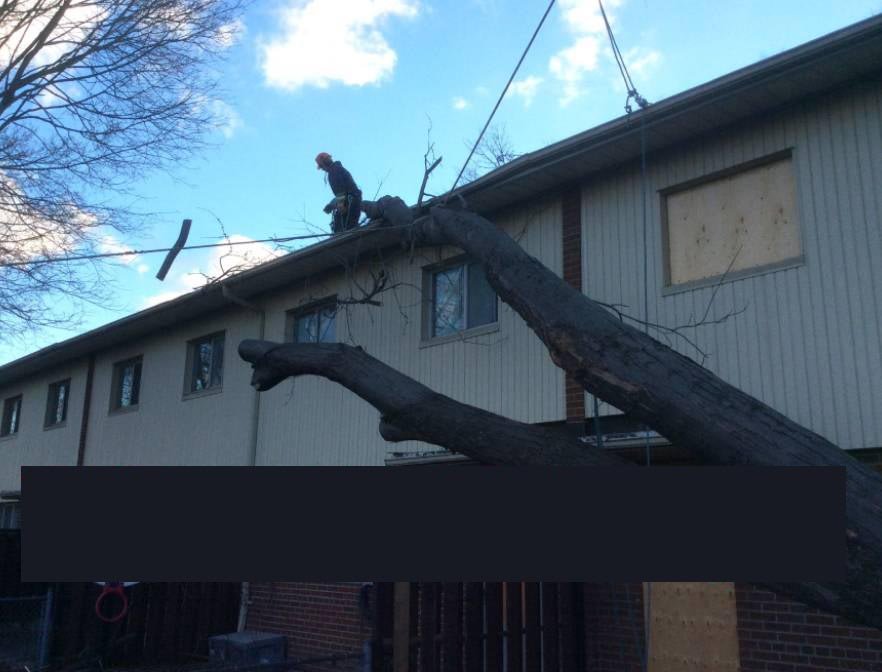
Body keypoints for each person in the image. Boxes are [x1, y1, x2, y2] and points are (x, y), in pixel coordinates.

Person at [316, 152, 362, 233]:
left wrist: (341, 205)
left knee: (344, 231)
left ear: (324, 163)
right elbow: (343, 190)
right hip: (354, 199)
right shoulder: (338, 168)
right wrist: (332, 204)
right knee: (349, 227)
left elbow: (340, 190)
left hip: (351, 201)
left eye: (321, 166)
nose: (322, 169)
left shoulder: (333, 171)